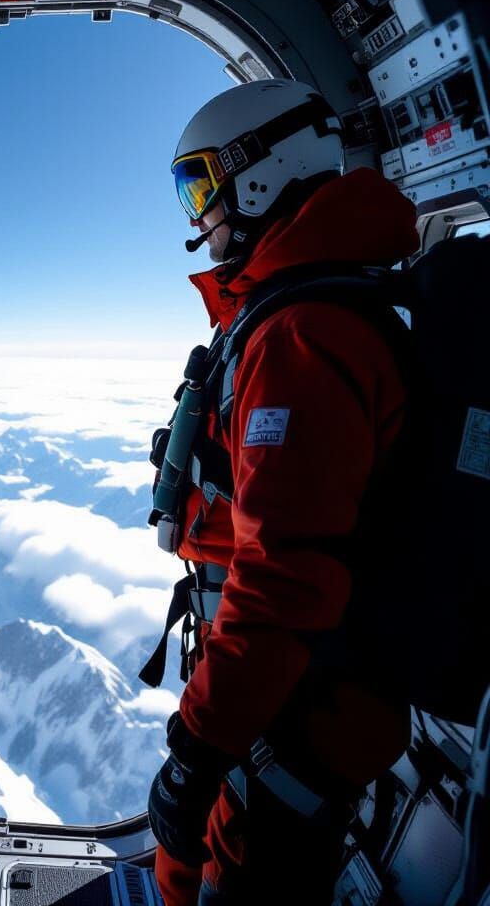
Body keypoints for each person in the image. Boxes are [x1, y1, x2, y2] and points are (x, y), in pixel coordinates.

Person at [144, 80, 419, 905]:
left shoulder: (301, 335)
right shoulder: (300, 311)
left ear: (257, 173)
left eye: (201, 185)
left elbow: (284, 582)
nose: (197, 216)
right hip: (283, 687)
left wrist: (196, 746)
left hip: (295, 699)